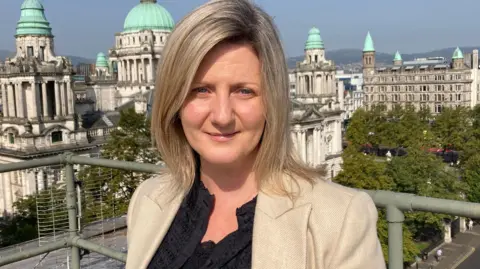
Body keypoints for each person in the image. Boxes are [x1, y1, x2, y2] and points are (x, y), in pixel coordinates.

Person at [125, 0, 385, 268]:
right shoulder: (147, 199)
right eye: (200, 90)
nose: (222, 116)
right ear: (174, 100)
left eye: (244, 91)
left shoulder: (340, 218)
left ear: (272, 100)